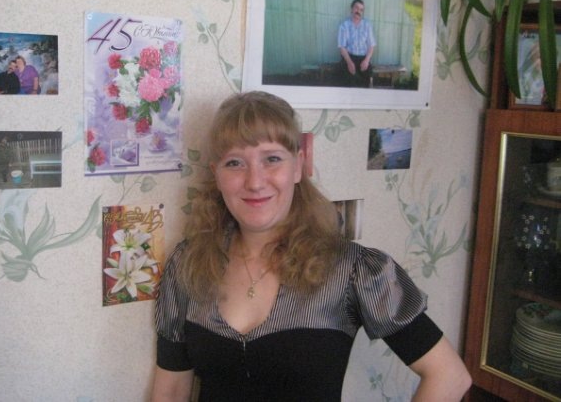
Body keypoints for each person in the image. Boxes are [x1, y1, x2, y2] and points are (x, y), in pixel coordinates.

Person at [152, 91, 471, 401]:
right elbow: (171, 390)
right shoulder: (188, 264)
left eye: (272, 159)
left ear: (298, 166)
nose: (255, 181)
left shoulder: (353, 270)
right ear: (217, 175)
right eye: (235, 163)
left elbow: (449, 376)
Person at [338, 0, 377, 88]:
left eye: (361, 10)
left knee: (365, 82)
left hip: (363, 58)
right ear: (352, 9)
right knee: (348, 80)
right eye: (356, 8)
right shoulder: (344, 25)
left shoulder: (367, 25)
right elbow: (342, 47)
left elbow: (371, 46)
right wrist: (349, 62)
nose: (358, 11)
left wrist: (366, 60)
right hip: (349, 57)